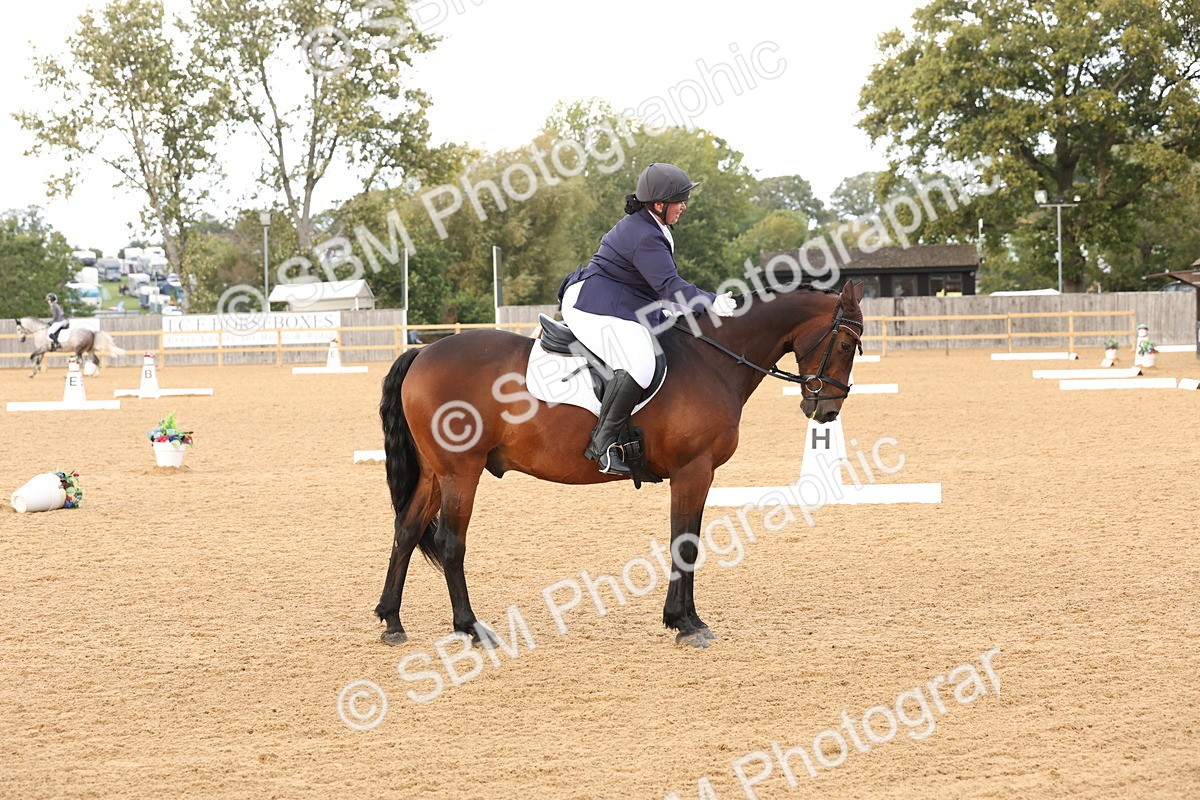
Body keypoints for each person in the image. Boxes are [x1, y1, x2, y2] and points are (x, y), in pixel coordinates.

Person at [557, 162, 735, 475]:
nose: (683, 207)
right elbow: (670, 287)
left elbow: (656, 285)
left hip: (621, 297)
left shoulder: (653, 226)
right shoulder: (645, 236)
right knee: (639, 361)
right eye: (679, 201)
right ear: (658, 204)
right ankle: (602, 443)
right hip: (593, 304)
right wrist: (712, 300)